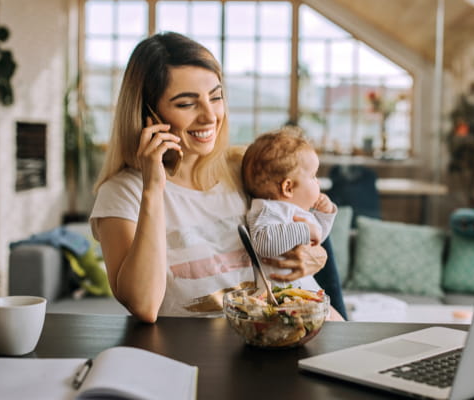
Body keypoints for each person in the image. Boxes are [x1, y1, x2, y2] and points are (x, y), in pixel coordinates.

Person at [89, 32, 342, 322]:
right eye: (186, 103)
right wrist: (154, 188)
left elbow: (307, 224)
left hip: (289, 332)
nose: (210, 116)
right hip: (210, 355)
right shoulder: (123, 193)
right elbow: (144, 305)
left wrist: (315, 256)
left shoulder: (244, 168)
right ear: (148, 114)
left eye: (216, 97)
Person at [241, 130, 337, 294]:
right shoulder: (268, 209)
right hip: (279, 295)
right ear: (288, 187)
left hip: (301, 290)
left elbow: (317, 239)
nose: (318, 181)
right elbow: (264, 243)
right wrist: (305, 229)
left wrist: (325, 215)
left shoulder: (294, 210)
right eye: (313, 176)